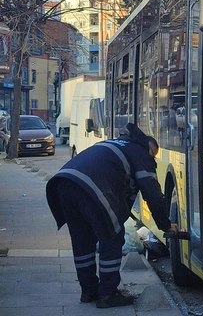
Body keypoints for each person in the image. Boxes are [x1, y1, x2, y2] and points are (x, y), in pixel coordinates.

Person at [46, 123, 178, 308]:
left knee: (82, 240)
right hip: (90, 188)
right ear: (149, 147)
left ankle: (88, 291)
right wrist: (165, 225)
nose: (152, 159)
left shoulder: (114, 144)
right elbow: (153, 194)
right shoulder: (140, 153)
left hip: (63, 184)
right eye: (153, 154)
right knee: (112, 236)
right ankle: (107, 294)